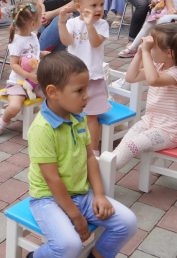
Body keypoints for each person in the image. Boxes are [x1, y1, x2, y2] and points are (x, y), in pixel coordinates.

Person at [28, 52, 138, 258]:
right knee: (70, 246)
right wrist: (76, 217)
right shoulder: (41, 129)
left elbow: (89, 158)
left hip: (82, 195)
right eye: (79, 90)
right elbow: (52, 180)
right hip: (48, 199)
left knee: (128, 223)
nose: (87, 95)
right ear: (53, 92)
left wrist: (99, 194)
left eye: (86, 88)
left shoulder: (78, 117)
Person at [112, 22, 177, 168]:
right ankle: (105, 171)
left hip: (170, 132)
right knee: (125, 143)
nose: (149, 50)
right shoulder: (158, 66)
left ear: (169, 53)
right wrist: (139, 53)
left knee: (131, 145)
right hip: (149, 122)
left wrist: (145, 53)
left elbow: (153, 80)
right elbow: (131, 77)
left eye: (153, 48)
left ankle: (102, 172)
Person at [57, 0, 110, 155]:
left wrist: (89, 25)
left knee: (91, 116)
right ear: (79, 7)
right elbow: (66, 42)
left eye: (101, 4)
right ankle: (71, 145)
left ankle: (93, 150)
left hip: (93, 78)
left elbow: (95, 43)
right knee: (71, 113)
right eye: (93, 5)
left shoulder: (101, 25)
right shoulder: (72, 23)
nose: (99, 9)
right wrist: (61, 23)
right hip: (72, 78)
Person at [0, 2, 46, 137]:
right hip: (18, 83)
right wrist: (28, 75)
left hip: (34, 82)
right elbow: (13, 64)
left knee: (53, 95)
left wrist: (42, 53)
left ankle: (41, 119)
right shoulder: (16, 41)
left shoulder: (33, 36)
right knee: (15, 107)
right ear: (32, 23)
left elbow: (32, 54)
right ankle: (2, 122)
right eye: (40, 17)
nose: (43, 18)